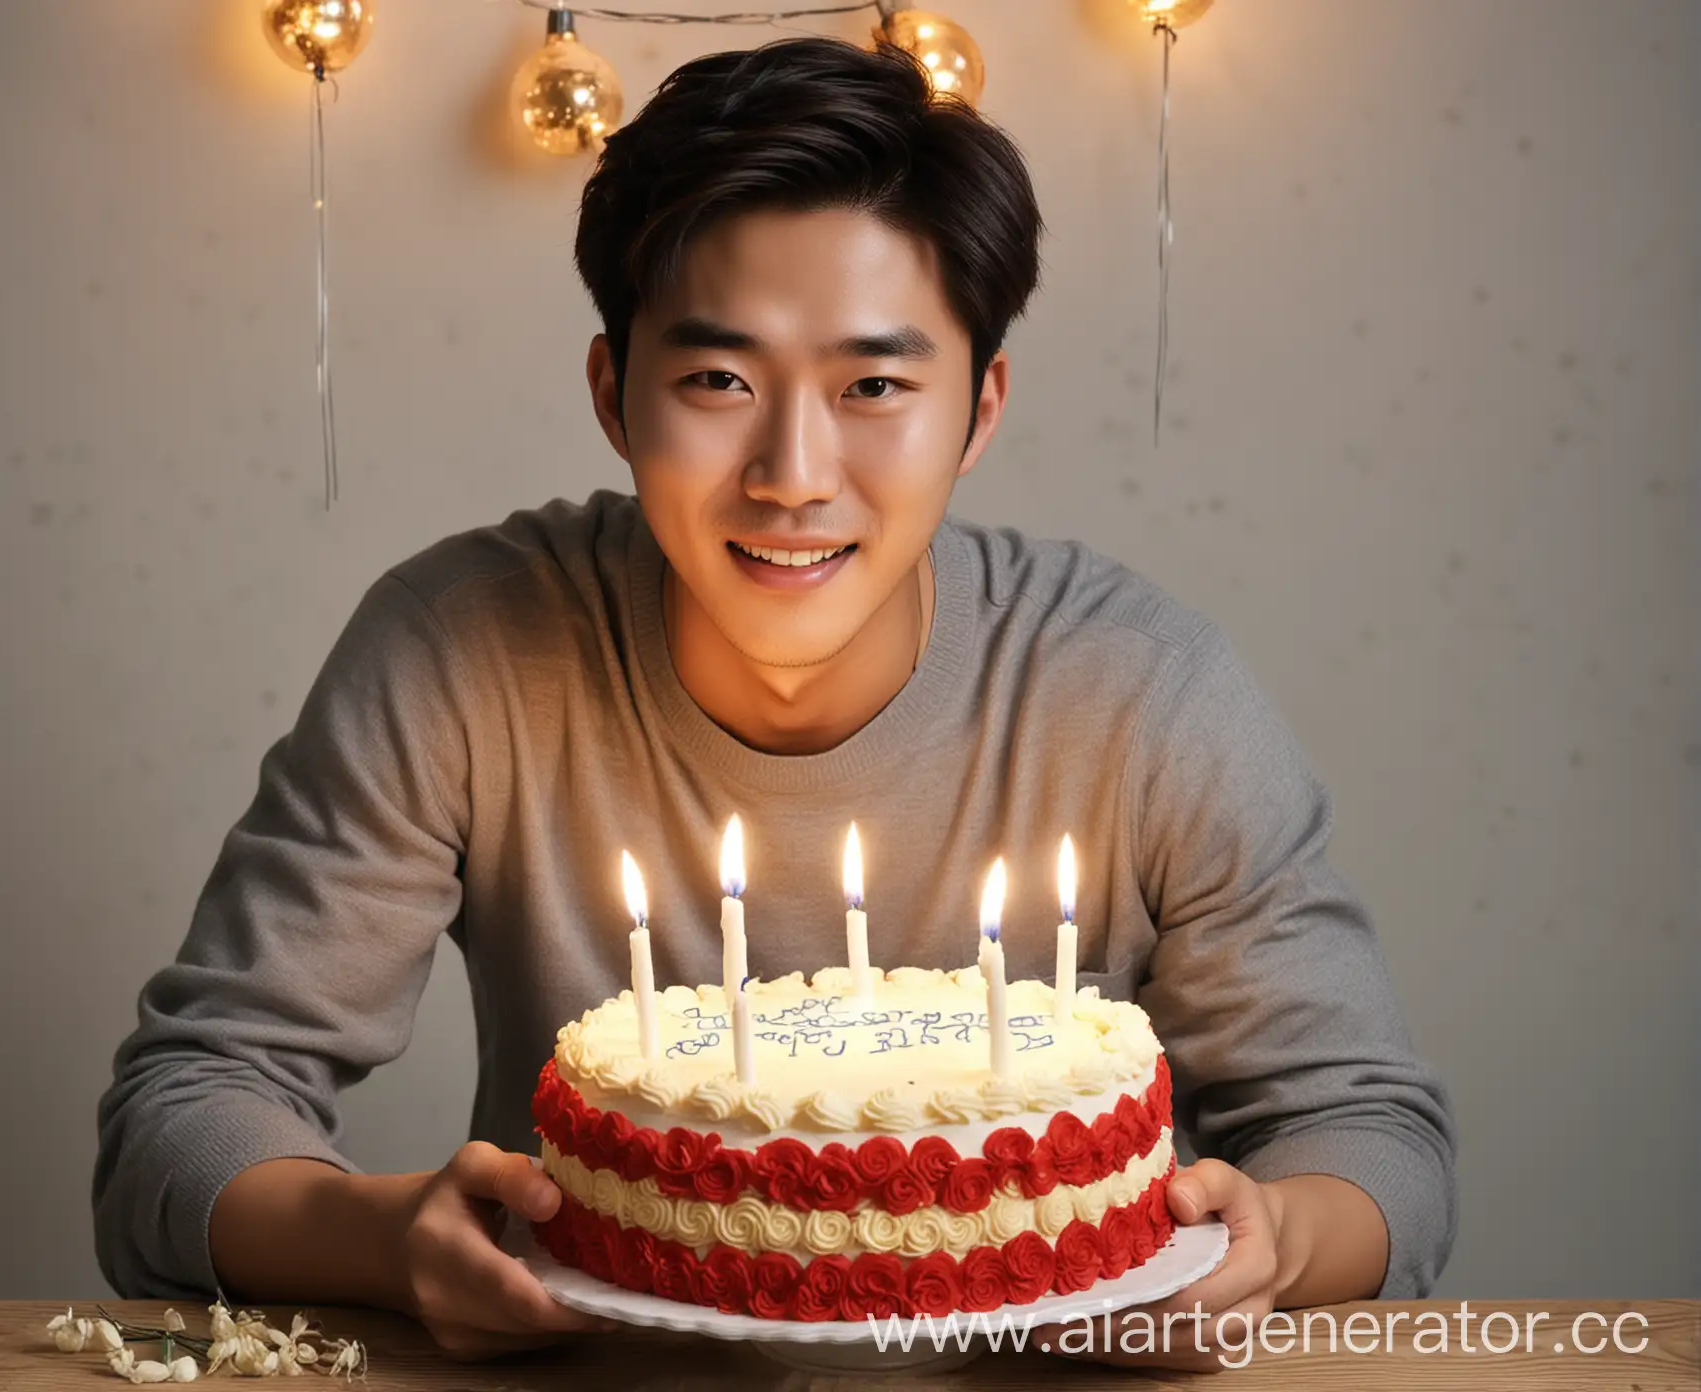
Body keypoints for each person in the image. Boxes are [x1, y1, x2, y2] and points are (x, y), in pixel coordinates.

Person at [93, 35, 1455, 1369]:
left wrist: (1273, 1237)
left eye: (874, 385)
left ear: (980, 410)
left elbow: (1377, 1144)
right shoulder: (464, 649)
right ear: (613, 396)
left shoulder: (1141, 696)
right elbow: (185, 1111)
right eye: (717, 381)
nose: (793, 472)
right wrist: (384, 1241)